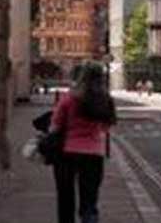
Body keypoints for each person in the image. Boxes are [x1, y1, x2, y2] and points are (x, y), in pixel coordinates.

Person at [49, 63, 117, 223]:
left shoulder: (70, 98)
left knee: (65, 196)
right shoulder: (106, 99)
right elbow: (107, 127)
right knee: (89, 199)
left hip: (67, 152)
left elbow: (55, 125)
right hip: (94, 154)